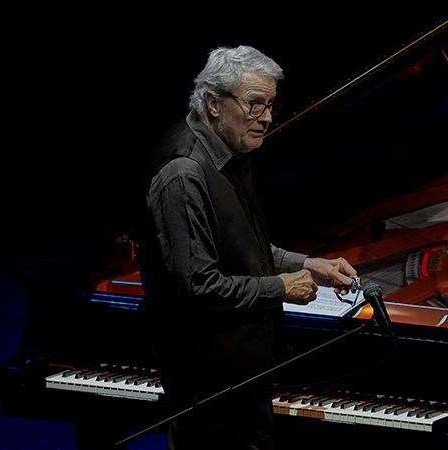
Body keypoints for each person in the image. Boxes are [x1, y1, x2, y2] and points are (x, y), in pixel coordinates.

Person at [137, 45, 357, 450]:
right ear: (214, 103)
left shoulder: (229, 150)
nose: (267, 118)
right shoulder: (184, 172)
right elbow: (197, 287)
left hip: (234, 368)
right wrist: (282, 287)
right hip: (207, 372)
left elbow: (241, 246)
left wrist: (309, 263)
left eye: (271, 105)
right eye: (255, 104)